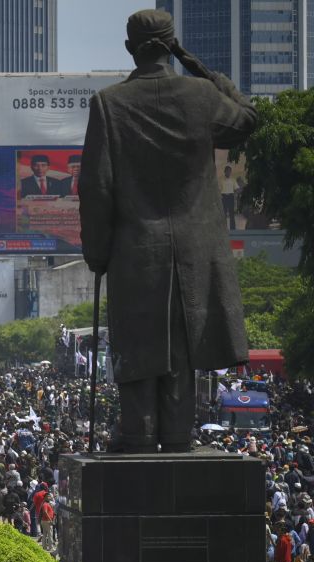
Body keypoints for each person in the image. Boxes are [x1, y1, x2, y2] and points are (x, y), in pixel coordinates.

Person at [79, 8, 258, 452]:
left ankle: (136, 434)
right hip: (197, 249)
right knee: (182, 347)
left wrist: (96, 252)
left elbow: (95, 187)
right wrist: (195, 63)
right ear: (171, 46)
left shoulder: (110, 104)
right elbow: (247, 117)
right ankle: (178, 436)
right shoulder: (200, 96)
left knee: (139, 344)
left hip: (135, 248)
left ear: (129, 49)